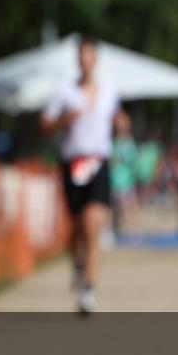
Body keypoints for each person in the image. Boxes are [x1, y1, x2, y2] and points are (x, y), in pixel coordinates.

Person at [40, 35, 119, 315]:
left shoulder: (109, 90)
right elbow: (45, 126)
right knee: (76, 228)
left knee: (93, 225)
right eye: (81, 57)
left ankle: (88, 290)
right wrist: (64, 120)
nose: (85, 62)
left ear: (95, 60)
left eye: (89, 57)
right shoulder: (64, 91)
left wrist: (122, 125)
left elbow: (117, 122)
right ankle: (77, 264)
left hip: (99, 161)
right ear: (78, 60)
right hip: (73, 162)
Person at [109, 109, 138, 235]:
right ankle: (111, 230)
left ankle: (132, 232)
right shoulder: (111, 141)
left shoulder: (128, 142)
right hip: (112, 181)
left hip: (125, 182)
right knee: (111, 209)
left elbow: (132, 161)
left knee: (127, 208)